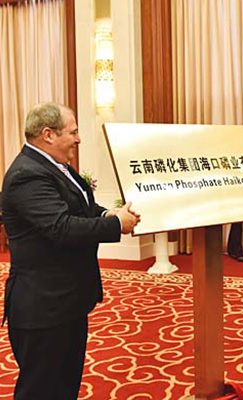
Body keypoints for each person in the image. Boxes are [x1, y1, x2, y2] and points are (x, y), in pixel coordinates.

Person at [1, 102, 140, 399]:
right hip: (43, 307)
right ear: (48, 134)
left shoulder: (55, 166)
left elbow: (81, 207)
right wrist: (117, 226)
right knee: (41, 390)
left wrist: (107, 214)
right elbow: (61, 227)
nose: (78, 139)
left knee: (65, 387)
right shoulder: (27, 175)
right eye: (73, 132)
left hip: (66, 302)